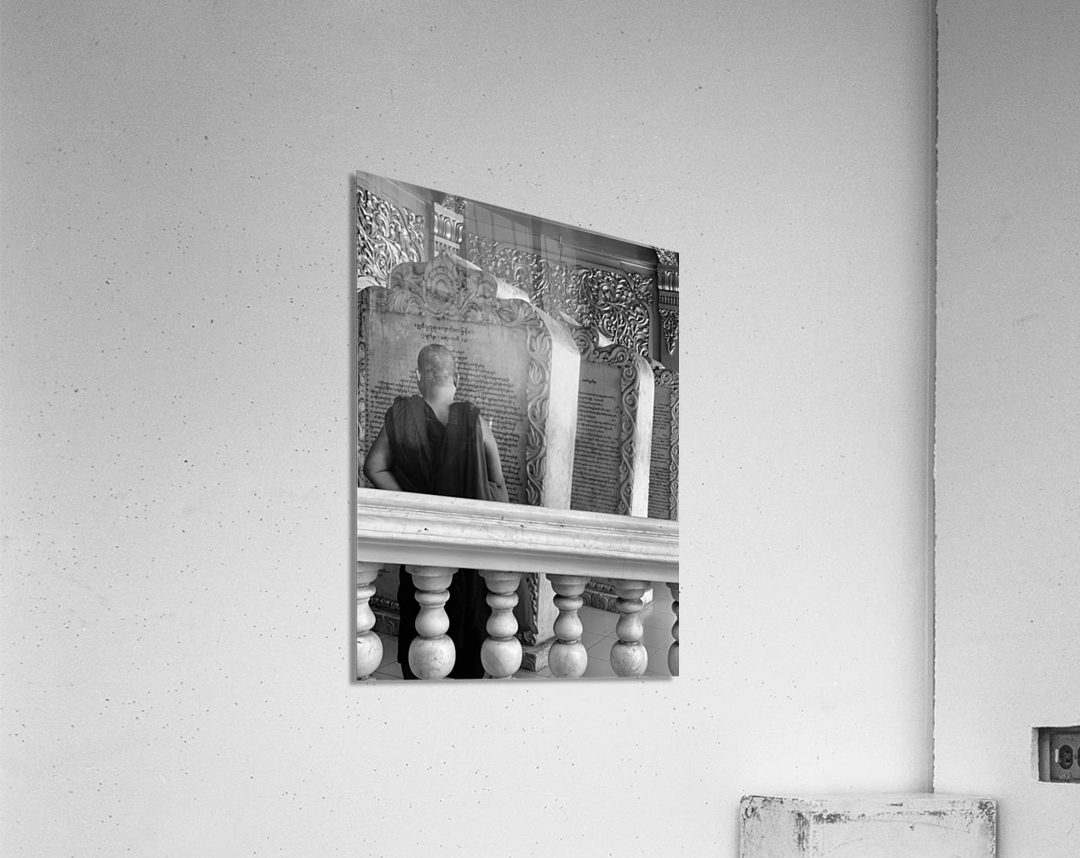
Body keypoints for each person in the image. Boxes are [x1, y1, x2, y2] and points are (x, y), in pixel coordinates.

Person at [363, 343, 508, 679]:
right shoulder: (476, 422)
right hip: (465, 543)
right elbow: (498, 485)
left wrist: (412, 504)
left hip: (421, 539)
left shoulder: (401, 418)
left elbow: (374, 467)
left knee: (421, 610)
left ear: (418, 377)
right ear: (455, 377)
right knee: (467, 610)